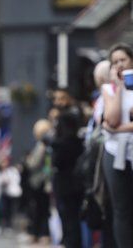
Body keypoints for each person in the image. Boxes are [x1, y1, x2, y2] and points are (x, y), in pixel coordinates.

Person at [101, 43, 133, 248]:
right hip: (115, 152)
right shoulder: (108, 88)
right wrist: (120, 87)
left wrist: (121, 128)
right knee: (121, 210)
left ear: (132, 61)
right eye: (115, 62)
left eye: (123, 60)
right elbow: (111, 120)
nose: (119, 65)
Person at [49, 88, 84, 248]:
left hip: (68, 178)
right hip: (69, 177)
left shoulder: (67, 118)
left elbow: (65, 145)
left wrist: (51, 141)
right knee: (69, 216)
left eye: (62, 98)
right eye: (56, 99)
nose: (58, 102)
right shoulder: (68, 118)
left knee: (70, 216)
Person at [25, 119, 52, 245]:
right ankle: (42, 233)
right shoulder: (47, 145)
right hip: (43, 182)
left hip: (39, 182)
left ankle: (40, 234)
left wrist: (28, 160)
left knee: (39, 210)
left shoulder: (42, 145)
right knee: (43, 210)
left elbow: (34, 163)